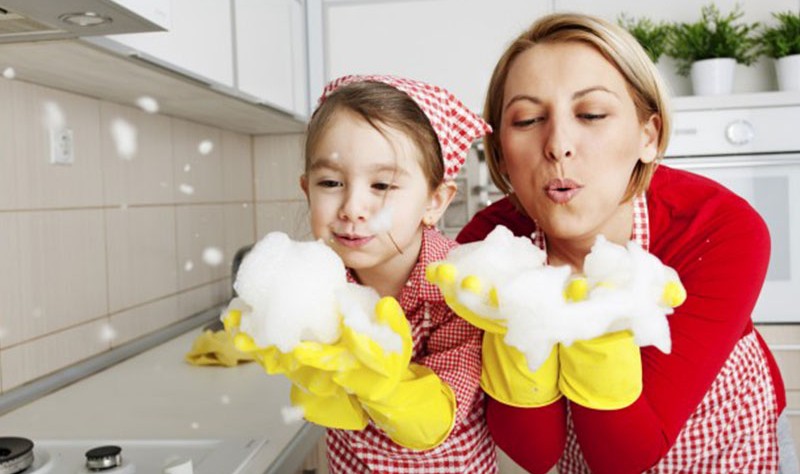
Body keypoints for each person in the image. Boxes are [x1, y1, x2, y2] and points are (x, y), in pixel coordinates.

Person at [455, 12, 794, 474]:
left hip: (725, 447)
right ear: (501, 156)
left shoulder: (720, 229)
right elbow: (536, 455)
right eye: (528, 119)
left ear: (647, 136)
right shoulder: (486, 248)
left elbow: (626, 456)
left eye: (591, 114)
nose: (558, 144)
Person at [298, 75, 497, 473]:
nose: (353, 206)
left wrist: (372, 377)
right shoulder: (318, 283)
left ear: (435, 201)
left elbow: (434, 418)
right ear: (307, 189)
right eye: (331, 182)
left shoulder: (457, 292)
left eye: (382, 184)